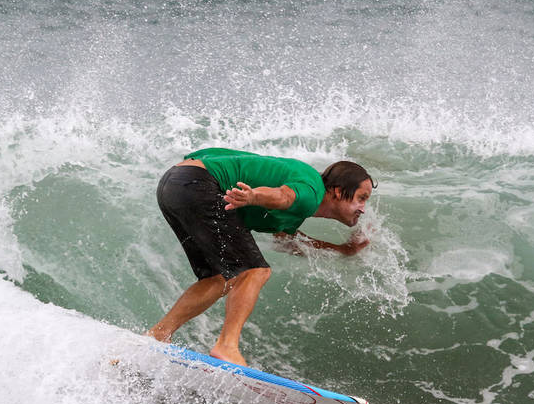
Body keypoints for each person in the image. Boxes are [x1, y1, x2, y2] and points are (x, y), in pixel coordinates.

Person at [147, 147, 375, 366]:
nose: (363, 208)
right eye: (361, 197)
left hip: (175, 184)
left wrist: (343, 249)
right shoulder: (311, 191)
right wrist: (253, 196)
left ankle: (158, 335)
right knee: (256, 271)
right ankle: (227, 346)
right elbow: (283, 196)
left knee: (218, 279)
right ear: (337, 191)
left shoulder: (300, 202)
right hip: (198, 184)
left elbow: (288, 242)